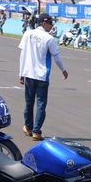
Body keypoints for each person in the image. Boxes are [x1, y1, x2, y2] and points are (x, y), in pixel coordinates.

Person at [18, 13, 68, 141]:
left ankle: (28, 127)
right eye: (50, 23)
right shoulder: (48, 38)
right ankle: (36, 131)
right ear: (43, 23)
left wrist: (21, 72)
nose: (52, 25)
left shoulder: (28, 34)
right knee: (41, 103)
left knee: (29, 102)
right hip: (42, 75)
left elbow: (22, 54)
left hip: (29, 73)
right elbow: (56, 56)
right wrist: (63, 70)